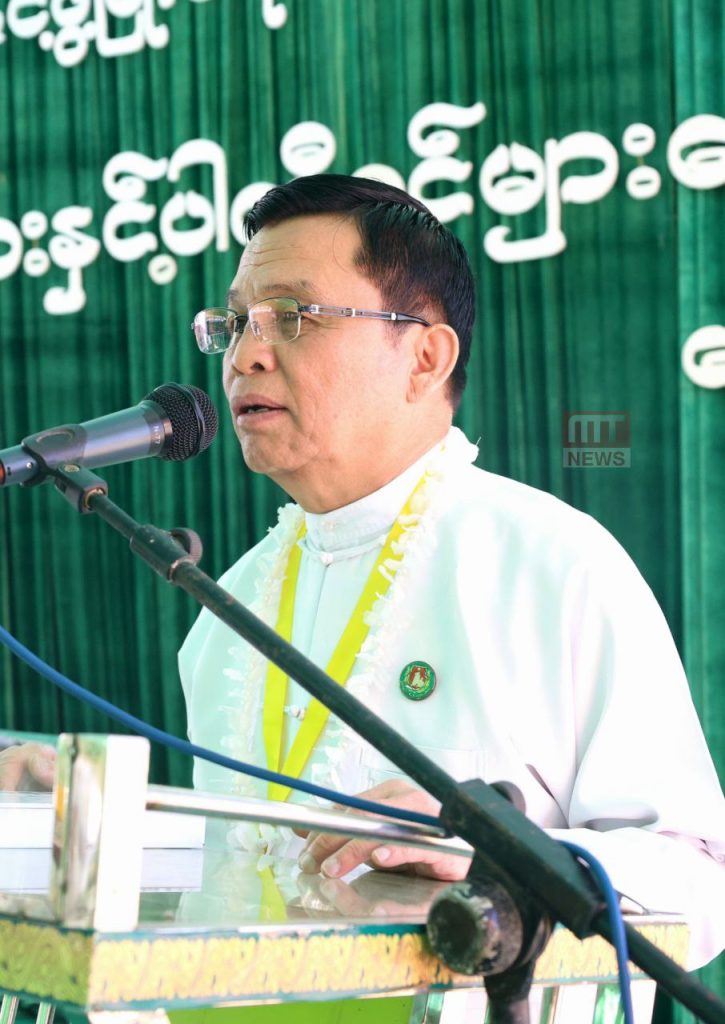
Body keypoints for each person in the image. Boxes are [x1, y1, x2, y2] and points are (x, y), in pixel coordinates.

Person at [179, 173, 725, 968]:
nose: (245, 356)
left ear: (424, 357)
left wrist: (504, 860)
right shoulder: (225, 611)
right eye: (235, 323)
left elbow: (700, 881)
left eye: (293, 316)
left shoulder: (551, 563)